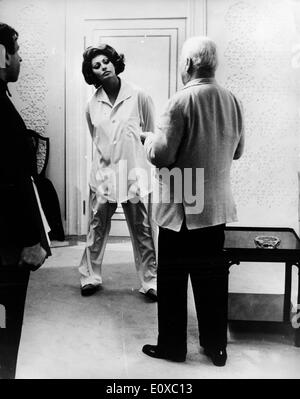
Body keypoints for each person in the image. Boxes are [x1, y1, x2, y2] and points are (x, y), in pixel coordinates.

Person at [142, 36, 244, 366]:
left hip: (181, 210)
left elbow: (162, 156)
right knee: (211, 280)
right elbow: (238, 151)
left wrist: (147, 141)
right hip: (215, 209)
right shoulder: (232, 100)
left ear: (188, 65)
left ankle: (172, 347)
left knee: (172, 281)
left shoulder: (179, 101)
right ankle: (216, 348)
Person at [78, 44, 157, 300]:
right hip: (103, 175)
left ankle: (151, 281)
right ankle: (90, 277)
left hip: (134, 174)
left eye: (106, 61)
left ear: (115, 62)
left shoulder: (138, 95)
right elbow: (97, 138)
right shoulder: (91, 103)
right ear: (92, 74)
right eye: (96, 66)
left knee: (143, 229)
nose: (103, 67)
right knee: (96, 227)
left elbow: (151, 134)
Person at [0, 23, 51, 379]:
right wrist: (31, 238)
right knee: (7, 323)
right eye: (17, 52)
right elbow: (8, 182)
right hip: (7, 239)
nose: (21, 59)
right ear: (2, 55)